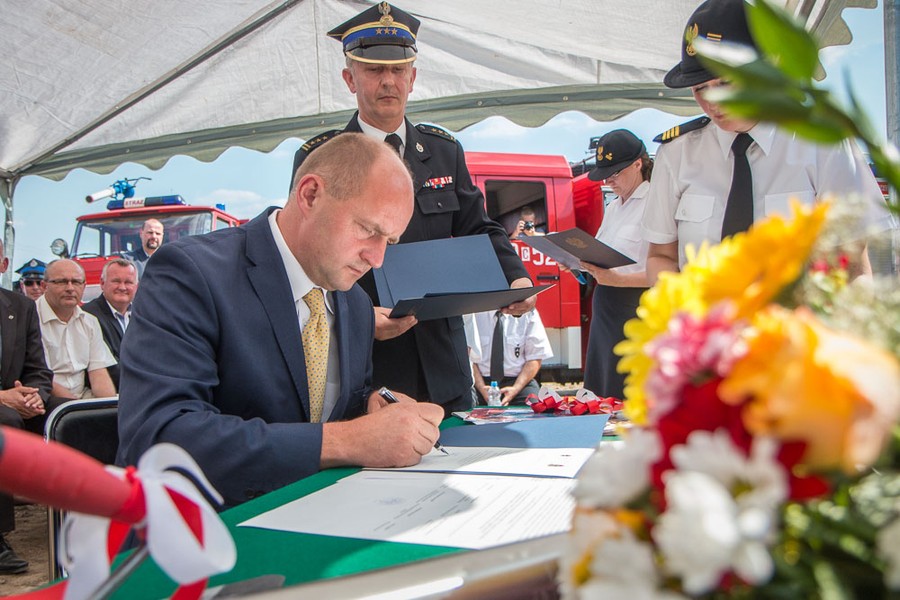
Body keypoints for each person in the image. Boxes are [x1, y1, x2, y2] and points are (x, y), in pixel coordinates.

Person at [116, 133, 444, 508]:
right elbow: (159, 437)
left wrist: (372, 405)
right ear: (310, 195)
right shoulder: (191, 273)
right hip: (203, 540)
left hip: (320, 521)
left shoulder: (354, 302)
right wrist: (351, 440)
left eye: (390, 240)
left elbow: (328, 407)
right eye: (369, 230)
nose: (378, 258)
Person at [289, 2, 534, 417]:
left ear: (413, 77)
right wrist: (362, 319)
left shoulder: (443, 152)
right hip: (364, 364)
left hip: (443, 361)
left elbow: (480, 226)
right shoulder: (321, 158)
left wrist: (516, 278)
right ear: (350, 79)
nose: (388, 81)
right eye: (373, 70)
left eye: (398, 70)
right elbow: (301, 259)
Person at [642, 0, 892, 284]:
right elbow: (661, 255)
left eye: (726, 83)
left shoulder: (822, 142)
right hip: (707, 324)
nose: (713, 101)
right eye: (700, 88)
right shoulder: (677, 154)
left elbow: (853, 266)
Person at [580, 130, 652, 399]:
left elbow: (672, 268)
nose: (609, 181)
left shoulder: (656, 202)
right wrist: (577, 261)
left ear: (637, 164)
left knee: (630, 395)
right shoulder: (614, 208)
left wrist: (619, 280)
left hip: (638, 308)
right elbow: (602, 251)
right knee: (602, 395)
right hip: (606, 307)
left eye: (615, 173)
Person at [0, 241, 53, 574]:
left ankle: (86, 513)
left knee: (73, 415)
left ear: (3, 263)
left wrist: (36, 396)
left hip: (18, 402)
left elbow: (38, 369)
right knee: (5, 420)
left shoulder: (19, 306)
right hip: (5, 409)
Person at [37, 259, 117, 400]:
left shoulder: (90, 322)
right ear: (44, 286)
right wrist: (75, 410)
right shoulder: (30, 319)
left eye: (76, 282)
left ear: (84, 286)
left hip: (82, 398)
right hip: (45, 398)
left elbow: (98, 372)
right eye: (61, 282)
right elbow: (40, 376)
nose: (70, 288)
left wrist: (110, 407)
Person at [469, 309, 553, 405]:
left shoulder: (527, 312)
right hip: (481, 381)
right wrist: (481, 387)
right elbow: (468, 357)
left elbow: (535, 358)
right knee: (466, 405)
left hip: (518, 381)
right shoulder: (474, 313)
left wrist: (515, 389)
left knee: (534, 406)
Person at [82, 258, 138, 388]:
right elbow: (108, 368)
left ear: (136, 286)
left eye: (128, 282)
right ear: (102, 283)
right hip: (113, 393)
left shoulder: (142, 314)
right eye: (116, 281)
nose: (122, 287)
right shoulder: (89, 316)